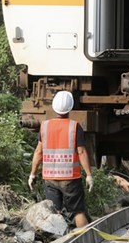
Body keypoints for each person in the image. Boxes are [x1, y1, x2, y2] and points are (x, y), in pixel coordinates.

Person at [28, 91, 94, 228]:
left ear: (54, 106)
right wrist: (88, 175)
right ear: (70, 107)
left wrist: (32, 174)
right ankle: (84, 240)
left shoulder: (45, 126)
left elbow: (38, 151)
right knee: (78, 211)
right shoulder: (75, 127)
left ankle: (58, 240)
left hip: (50, 178)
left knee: (55, 211)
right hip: (70, 178)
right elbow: (81, 152)